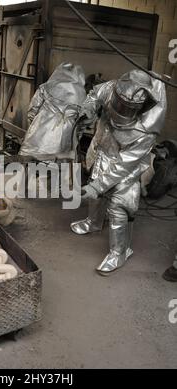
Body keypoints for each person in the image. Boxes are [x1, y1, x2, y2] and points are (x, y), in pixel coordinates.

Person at [71, 69, 167, 276]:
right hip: (104, 144)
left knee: (119, 204)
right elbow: (95, 94)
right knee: (96, 179)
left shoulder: (146, 130)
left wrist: (97, 187)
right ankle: (93, 222)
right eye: (119, 103)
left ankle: (119, 252)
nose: (120, 109)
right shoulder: (114, 88)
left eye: (127, 108)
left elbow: (124, 165)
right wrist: (88, 109)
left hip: (128, 164)